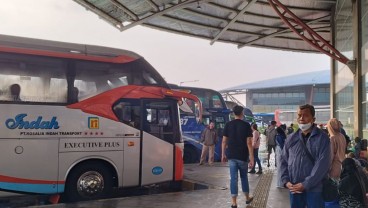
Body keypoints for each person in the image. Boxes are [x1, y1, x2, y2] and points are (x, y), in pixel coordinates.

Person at [280, 104, 331, 208]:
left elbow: (322, 164)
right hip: (294, 187)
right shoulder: (291, 138)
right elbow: (283, 161)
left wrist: (306, 184)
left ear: (313, 119)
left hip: (315, 189)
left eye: (305, 115)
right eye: (299, 115)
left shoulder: (322, 138)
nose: (301, 118)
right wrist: (285, 181)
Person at [222, 105, 254, 208]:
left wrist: (223, 154)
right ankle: (247, 198)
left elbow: (224, 141)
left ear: (233, 113)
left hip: (231, 156)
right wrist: (252, 158)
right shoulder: (246, 125)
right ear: (242, 113)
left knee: (233, 179)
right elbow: (249, 142)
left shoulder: (228, 124)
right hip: (243, 156)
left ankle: (234, 202)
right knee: (244, 177)